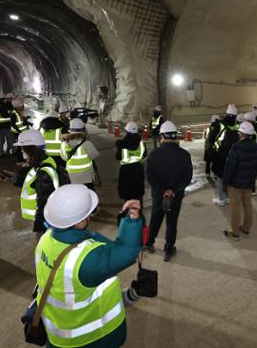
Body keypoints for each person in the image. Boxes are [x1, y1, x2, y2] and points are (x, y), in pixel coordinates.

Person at [35, 185, 143, 348]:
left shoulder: (45, 239)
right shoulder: (86, 260)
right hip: (91, 340)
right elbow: (127, 251)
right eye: (88, 213)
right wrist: (131, 221)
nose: (90, 216)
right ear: (79, 221)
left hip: (58, 335)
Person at [145, 121, 193, 261]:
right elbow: (187, 177)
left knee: (155, 220)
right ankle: (168, 249)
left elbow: (149, 176)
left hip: (159, 196)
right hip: (175, 196)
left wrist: (163, 191)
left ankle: (149, 243)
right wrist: (173, 190)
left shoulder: (154, 155)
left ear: (163, 136)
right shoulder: (184, 155)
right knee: (172, 223)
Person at [13, 129, 62, 233]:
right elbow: (32, 183)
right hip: (45, 218)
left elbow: (44, 201)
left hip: (45, 220)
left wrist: (40, 224)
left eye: (22, 148)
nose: (21, 151)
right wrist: (12, 178)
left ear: (30, 149)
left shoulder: (43, 171)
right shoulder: (41, 162)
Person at [222, 121, 257, 241]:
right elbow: (256, 167)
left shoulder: (236, 148)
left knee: (235, 207)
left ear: (243, 134)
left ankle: (235, 232)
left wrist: (225, 183)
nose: (238, 134)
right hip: (248, 183)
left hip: (235, 184)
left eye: (240, 132)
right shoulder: (255, 146)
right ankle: (246, 228)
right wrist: (252, 181)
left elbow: (229, 168)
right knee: (248, 205)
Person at [212, 104, 239, 206]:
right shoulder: (237, 126)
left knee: (220, 177)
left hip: (221, 155)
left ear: (226, 114)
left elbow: (212, 139)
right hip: (233, 155)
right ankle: (228, 197)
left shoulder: (221, 125)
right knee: (230, 176)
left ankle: (222, 198)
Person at [61, 118, 99, 189]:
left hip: (71, 177)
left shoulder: (64, 144)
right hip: (86, 178)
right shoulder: (87, 143)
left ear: (70, 129)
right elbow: (95, 155)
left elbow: (64, 157)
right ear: (82, 129)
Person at [116, 122, 147, 205]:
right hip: (138, 169)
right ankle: (138, 213)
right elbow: (145, 154)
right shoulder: (141, 143)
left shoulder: (122, 144)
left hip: (126, 171)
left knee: (127, 194)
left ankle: (128, 212)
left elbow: (118, 157)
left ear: (126, 131)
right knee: (138, 193)